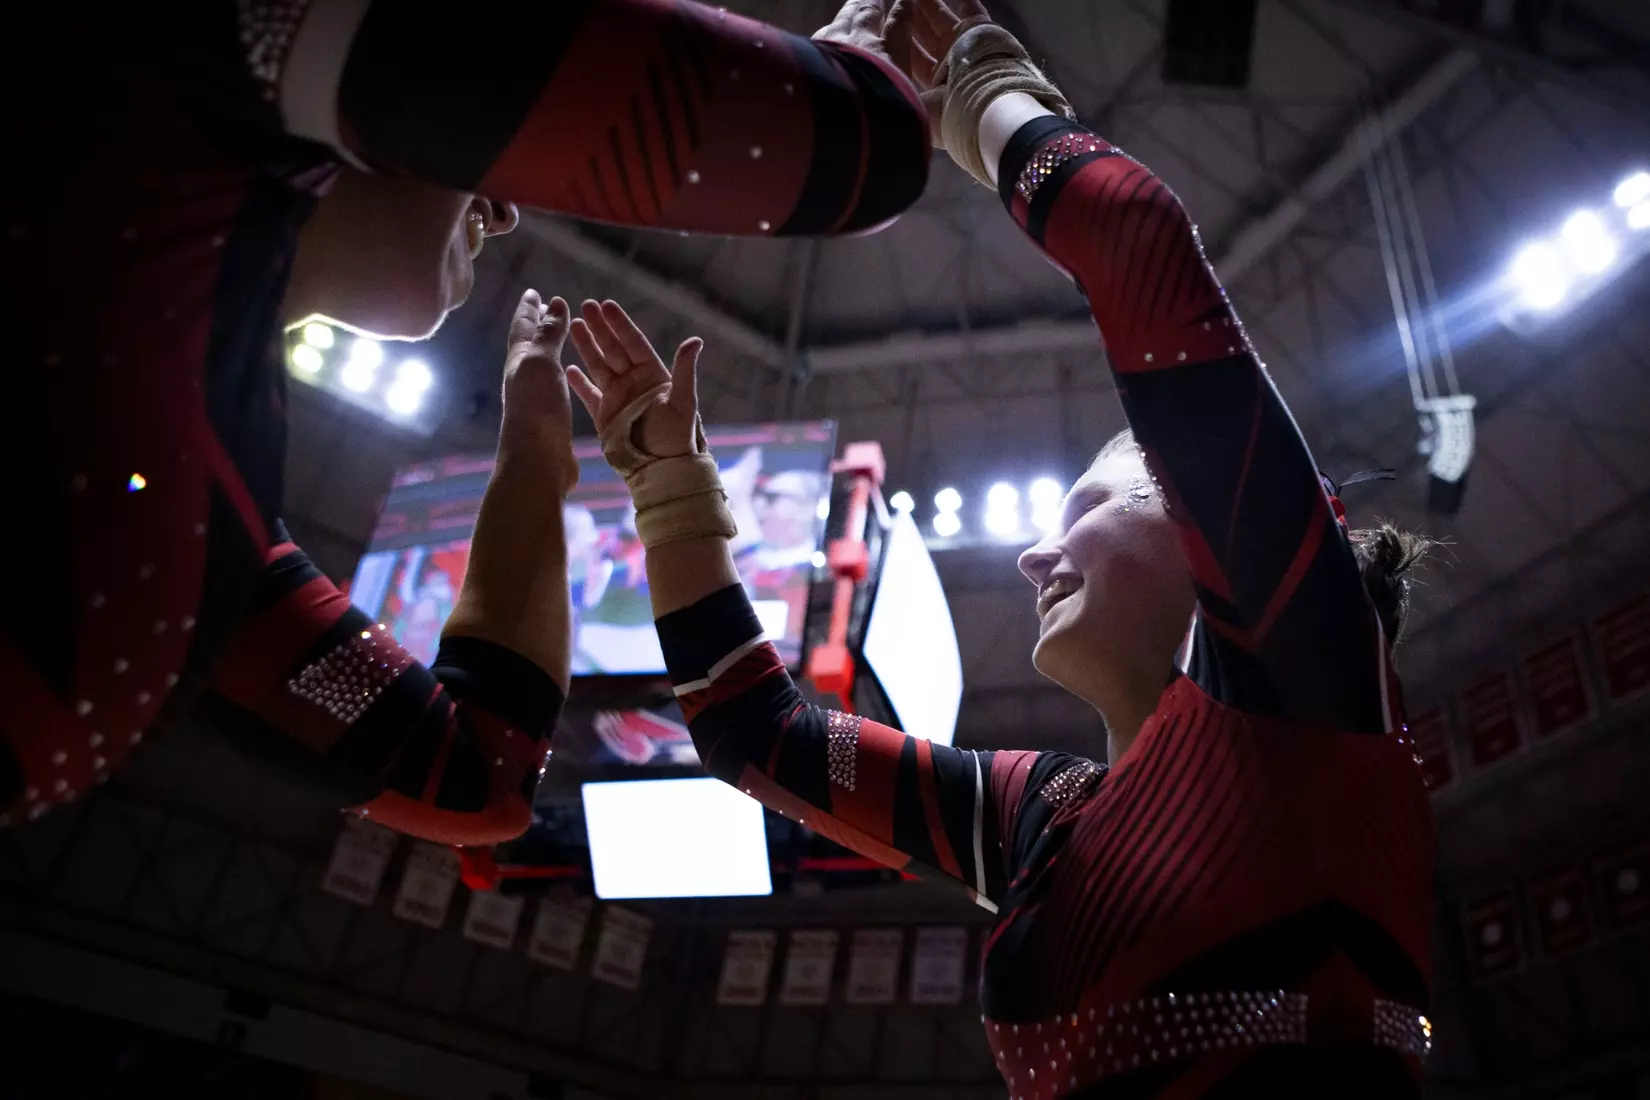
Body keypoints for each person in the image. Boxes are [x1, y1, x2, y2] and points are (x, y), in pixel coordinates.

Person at [563, 1, 1435, 1093]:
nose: (1031, 555)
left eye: (1086, 503)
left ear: (1209, 525)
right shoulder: (1044, 816)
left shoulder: (1313, 682)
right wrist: (670, 491)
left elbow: (1135, 243)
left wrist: (981, 82)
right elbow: (758, 737)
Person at [1, 0, 932, 839]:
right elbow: (859, 140)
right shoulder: (207, 44)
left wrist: (535, 456)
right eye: (482, 137)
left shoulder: (217, 511)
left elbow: (475, 776)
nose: (507, 195)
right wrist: (871, 52)